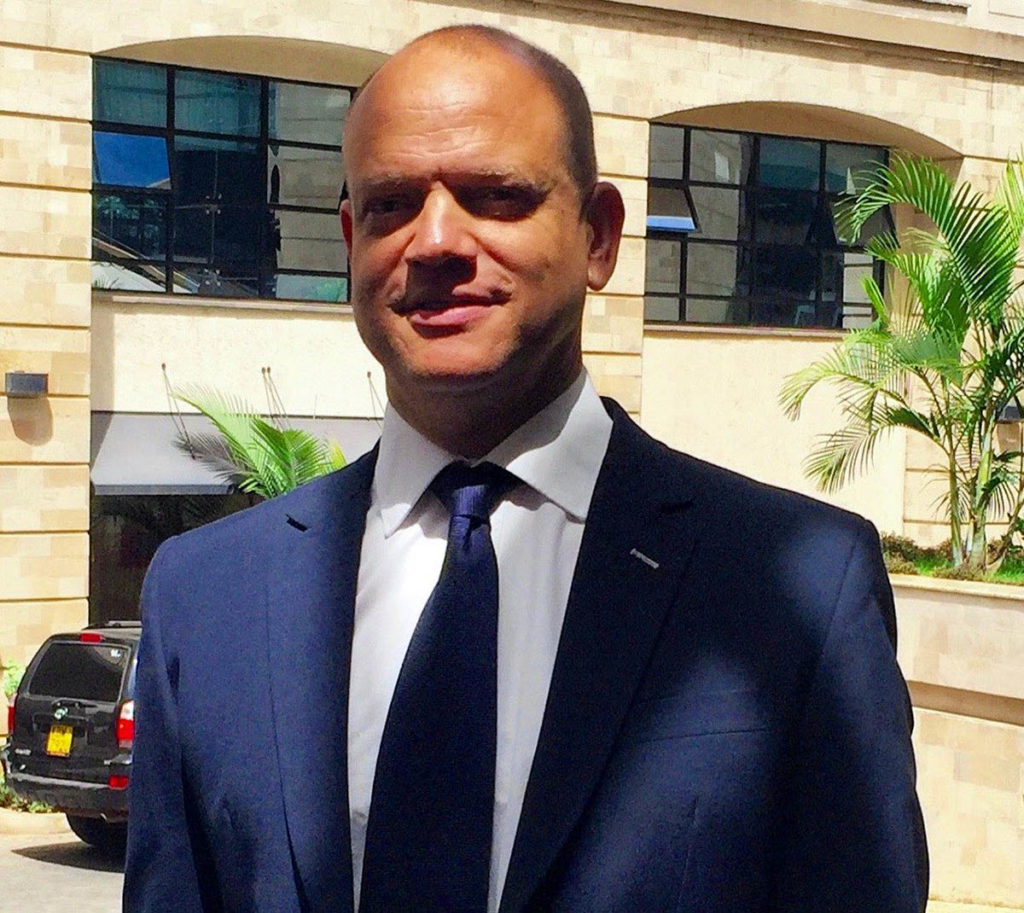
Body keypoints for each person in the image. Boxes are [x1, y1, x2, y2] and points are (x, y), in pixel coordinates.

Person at [124, 25, 928, 913]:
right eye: (391, 204)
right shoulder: (207, 596)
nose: (434, 241)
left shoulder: (800, 588)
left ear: (600, 237)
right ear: (351, 240)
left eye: (496, 196)